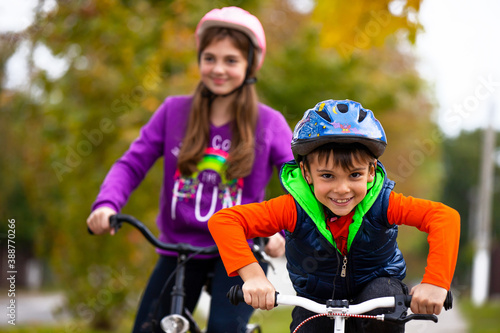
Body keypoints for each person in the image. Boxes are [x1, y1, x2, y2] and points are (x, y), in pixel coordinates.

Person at [86, 6, 293, 333]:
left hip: (238, 251)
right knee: (149, 327)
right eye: (210, 58)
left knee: (225, 328)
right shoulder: (173, 112)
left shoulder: (268, 123)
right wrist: (107, 203)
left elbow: (297, 181)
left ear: (250, 64)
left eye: (231, 60)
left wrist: (281, 231)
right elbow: (132, 163)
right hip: (177, 248)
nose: (218, 69)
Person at [208, 99, 461, 332]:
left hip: (377, 292)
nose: (342, 189)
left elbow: (444, 217)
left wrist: (435, 283)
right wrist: (253, 276)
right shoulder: (292, 208)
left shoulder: (385, 203)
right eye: (327, 176)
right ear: (306, 173)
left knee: (383, 304)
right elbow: (225, 221)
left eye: (355, 175)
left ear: (371, 171)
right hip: (316, 299)